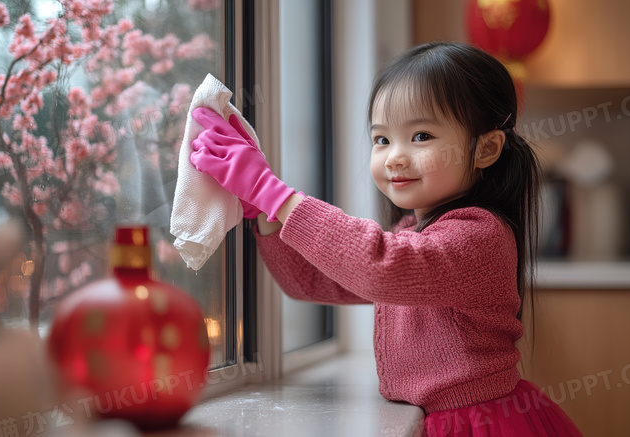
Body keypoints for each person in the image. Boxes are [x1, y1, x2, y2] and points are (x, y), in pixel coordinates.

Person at [188, 42, 583, 436]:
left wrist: (273, 193)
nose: (394, 156)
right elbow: (309, 282)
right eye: (382, 140)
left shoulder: (480, 236)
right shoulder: (412, 233)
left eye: (422, 135)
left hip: (482, 424)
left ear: (487, 148)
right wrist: (264, 213)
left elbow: (382, 266)